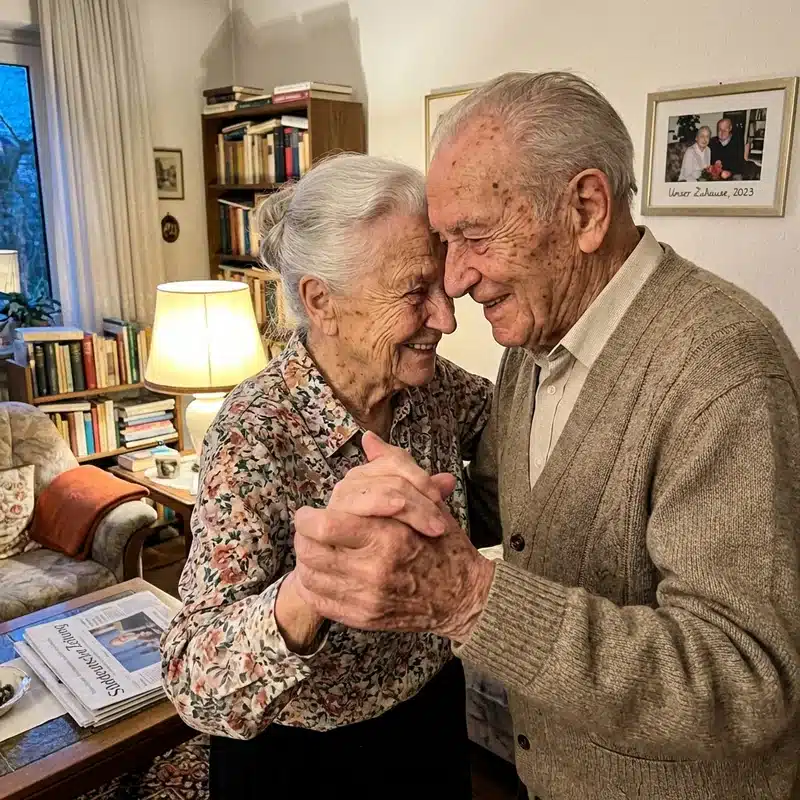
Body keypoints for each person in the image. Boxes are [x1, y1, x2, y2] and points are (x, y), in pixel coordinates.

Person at [289, 72, 800, 800]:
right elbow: (519, 506)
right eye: (443, 242)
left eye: (472, 237)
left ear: (586, 210)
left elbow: (748, 680)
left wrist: (469, 598)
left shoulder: (724, 367)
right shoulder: (534, 340)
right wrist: (397, 506)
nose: (457, 282)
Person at [160, 154, 493, 799]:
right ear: (322, 301)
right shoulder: (256, 430)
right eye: (413, 292)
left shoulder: (441, 393)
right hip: (303, 759)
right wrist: (317, 584)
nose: (446, 319)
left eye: (444, 288)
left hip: (428, 718)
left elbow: (527, 433)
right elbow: (192, 679)